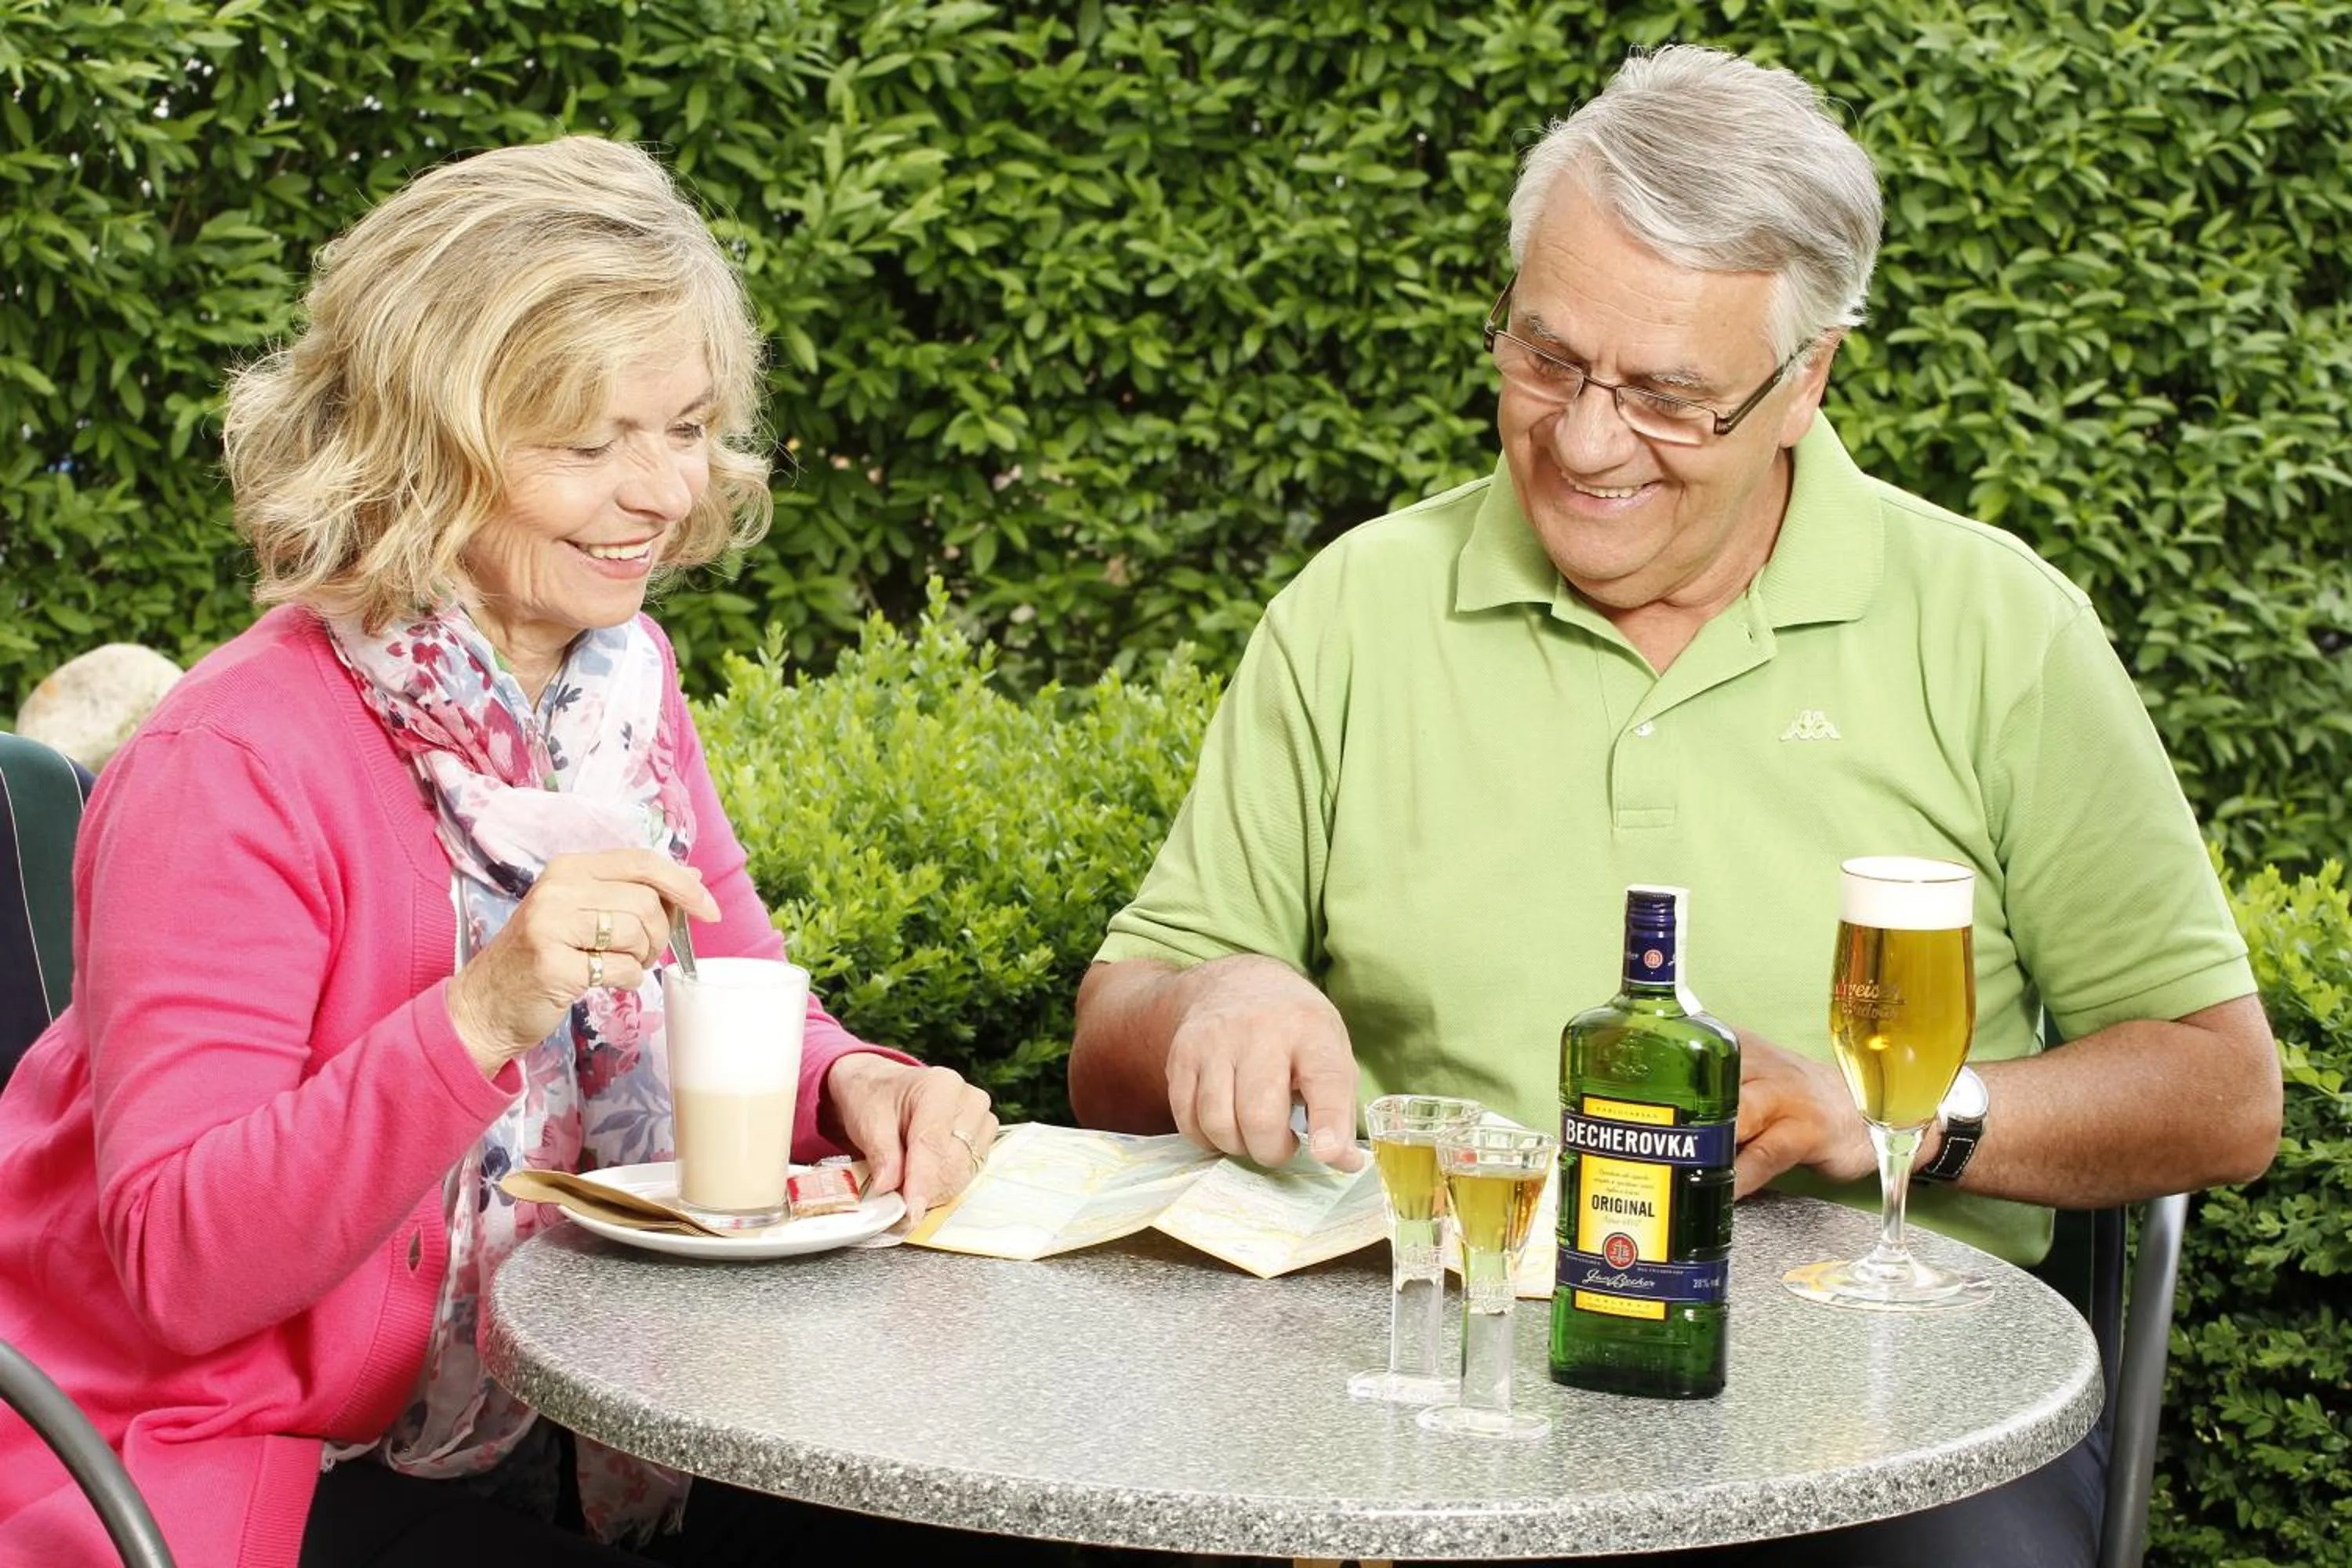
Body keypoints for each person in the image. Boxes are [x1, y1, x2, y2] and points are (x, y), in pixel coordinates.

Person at [1068, 44, 2281, 1568]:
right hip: (1431, 1392)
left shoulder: (1999, 630)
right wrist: (1208, 1004)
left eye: (1668, 398)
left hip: (1879, 1424)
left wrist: (1893, 1117)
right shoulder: (1355, 610)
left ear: (1806, 381)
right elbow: (1114, 1042)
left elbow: (2221, 1093)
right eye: (1546, 360)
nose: (1583, 442)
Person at [0, 137, 1003, 1568]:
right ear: (418, 449)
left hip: (535, 1418)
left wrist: (855, 1084)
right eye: (589, 445)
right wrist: (480, 1013)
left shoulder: (614, 689)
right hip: (235, 1457)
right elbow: (182, 1263)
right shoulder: (226, 763)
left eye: (686, 427)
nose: (663, 492)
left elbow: (729, 983)